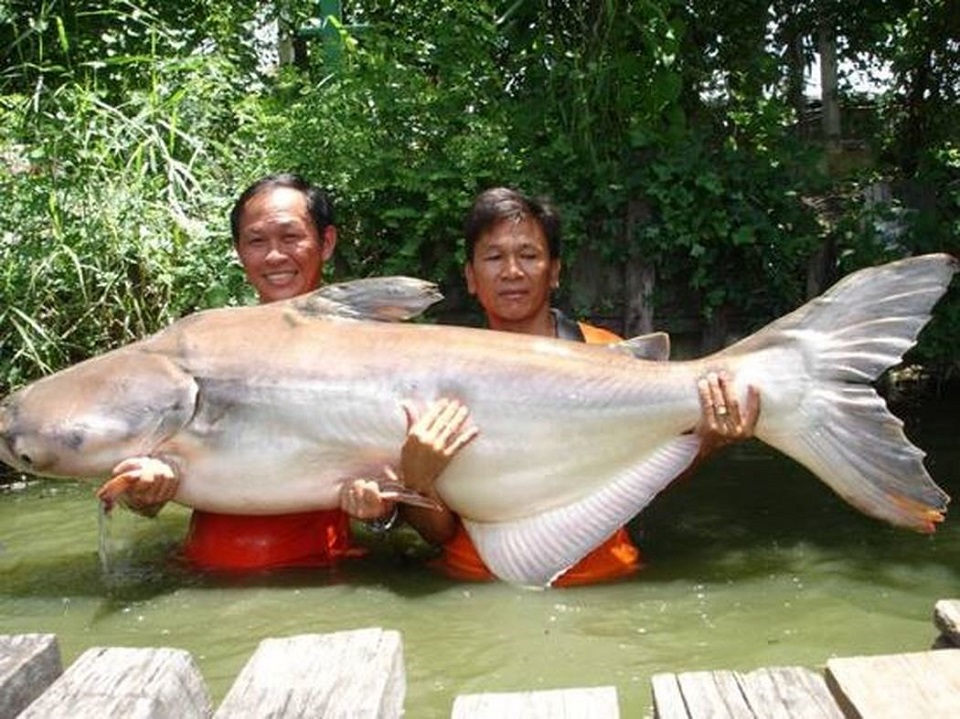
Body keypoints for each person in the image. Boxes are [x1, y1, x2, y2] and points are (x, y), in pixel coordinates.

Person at [381, 187, 761, 585]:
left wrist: (704, 444)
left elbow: (646, 483)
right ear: (472, 277)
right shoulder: (436, 372)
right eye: (494, 257)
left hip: (602, 581)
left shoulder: (609, 357)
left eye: (528, 256)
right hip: (474, 584)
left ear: (556, 271)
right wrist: (415, 479)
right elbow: (436, 533)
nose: (512, 271)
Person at [112, 173, 447, 570]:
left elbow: (427, 523)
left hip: (322, 578)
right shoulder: (209, 350)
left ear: (326, 243)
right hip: (201, 578)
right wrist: (144, 497)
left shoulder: (382, 352)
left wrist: (381, 514)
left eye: (290, 237)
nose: (274, 256)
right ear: (239, 251)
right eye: (257, 241)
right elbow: (166, 482)